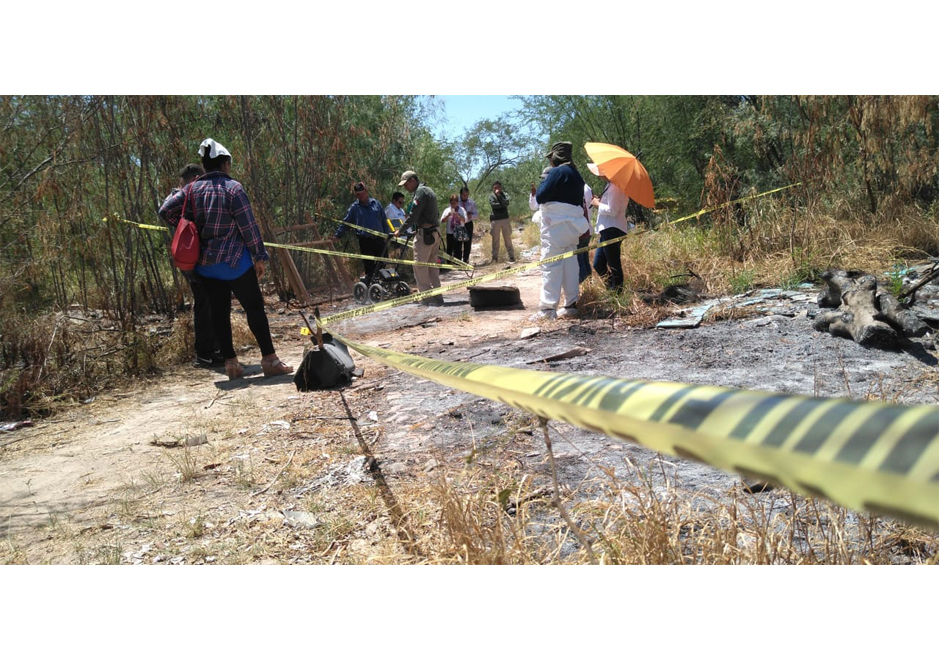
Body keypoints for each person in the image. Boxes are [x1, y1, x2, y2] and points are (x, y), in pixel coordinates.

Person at [159, 138, 292, 381]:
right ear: (225, 163)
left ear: (205, 164)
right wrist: (259, 256)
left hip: (207, 265)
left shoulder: (191, 189)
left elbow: (165, 210)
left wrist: (185, 223)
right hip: (236, 263)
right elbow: (248, 226)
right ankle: (270, 360)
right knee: (254, 309)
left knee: (219, 313)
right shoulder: (233, 188)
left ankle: (231, 365)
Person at [159, 163, 221, 369]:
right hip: (193, 259)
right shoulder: (188, 192)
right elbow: (164, 211)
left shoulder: (191, 193)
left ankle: (215, 350)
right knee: (205, 303)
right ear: (195, 178)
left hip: (200, 257)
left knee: (212, 301)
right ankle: (205, 354)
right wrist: (185, 224)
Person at [532, 142, 590, 320]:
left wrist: (545, 181)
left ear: (556, 157)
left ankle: (548, 309)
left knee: (551, 265)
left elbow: (541, 197)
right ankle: (570, 305)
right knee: (570, 265)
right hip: (572, 227)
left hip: (554, 226)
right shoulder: (576, 175)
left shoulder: (556, 172)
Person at [396, 170, 443, 305]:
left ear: (412, 180)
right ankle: (437, 296)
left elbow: (413, 216)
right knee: (432, 265)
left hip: (426, 233)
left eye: (406, 184)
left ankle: (427, 298)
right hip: (434, 231)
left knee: (420, 266)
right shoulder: (428, 190)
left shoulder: (420, 192)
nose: (405, 188)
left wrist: (400, 230)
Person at [588, 163, 633, 291]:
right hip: (608, 229)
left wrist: (597, 204)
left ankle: (618, 292)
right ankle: (612, 289)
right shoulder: (610, 186)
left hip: (613, 229)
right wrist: (600, 202)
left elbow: (612, 211)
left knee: (613, 264)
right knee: (599, 264)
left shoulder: (615, 187)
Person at [333, 182, 389, 284]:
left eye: (362, 193)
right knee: (369, 264)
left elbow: (384, 220)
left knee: (384, 260)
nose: (361, 196)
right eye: (358, 194)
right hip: (365, 241)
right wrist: (338, 235)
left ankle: (378, 279)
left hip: (379, 239)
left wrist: (387, 234)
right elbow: (346, 222)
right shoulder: (354, 208)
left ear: (366, 191)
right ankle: (370, 282)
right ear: (356, 195)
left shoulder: (376, 204)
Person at [488, 181, 515, 263]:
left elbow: (506, 204)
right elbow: (494, 206)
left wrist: (499, 196)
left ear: (501, 187)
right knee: (495, 240)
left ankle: (511, 256)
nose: (496, 189)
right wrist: (501, 204)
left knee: (507, 239)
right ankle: (495, 258)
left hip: (505, 219)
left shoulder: (505, 195)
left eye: (498, 187)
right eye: (495, 187)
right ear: (493, 188)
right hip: (495, 220)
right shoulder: (491, 196)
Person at [441, 194, 469, 263]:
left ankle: (458, 263)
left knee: (458, 249)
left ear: (457, 202)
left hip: (459, 232)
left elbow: (466, 220)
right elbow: (442, 221)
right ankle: (449, 264)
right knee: (449, 249)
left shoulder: (461, 210)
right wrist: (448, 215)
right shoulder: (447, 210)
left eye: (455, 203)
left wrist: (459, 216)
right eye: (452, 203)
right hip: (450, 232)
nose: (453, 204)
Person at [457, 186, 477, 264]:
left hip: (468, 224)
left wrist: (471, 216)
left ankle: (465, 261)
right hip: (459, 224)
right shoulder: (456, 201)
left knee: (467, 243)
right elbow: (451, 209)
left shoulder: (471, 203)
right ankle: (458, 261)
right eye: (463, 195)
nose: (465, 196)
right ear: (460, 194)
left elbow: (476, 214)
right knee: (458, 243)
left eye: (466, 195)